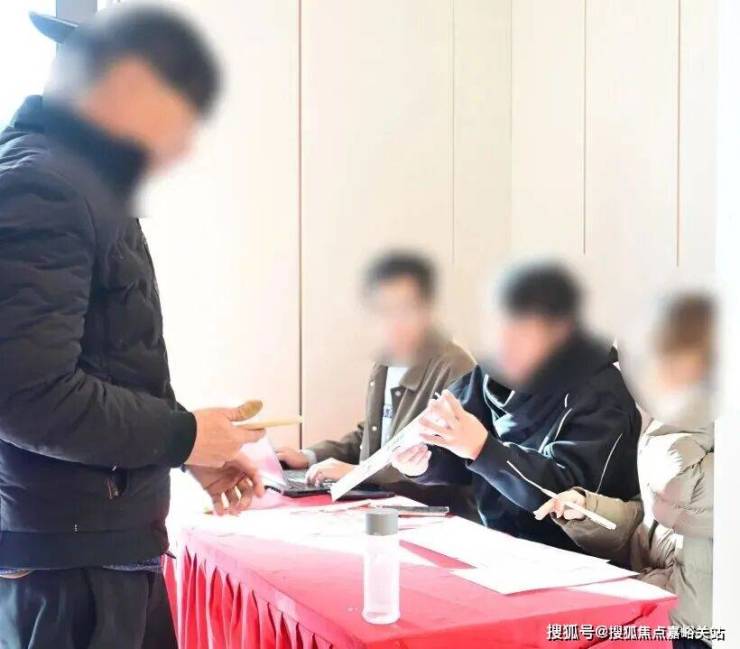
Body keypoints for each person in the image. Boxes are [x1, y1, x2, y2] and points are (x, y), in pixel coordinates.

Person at [0, 7, 266, 648]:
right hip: (74, 572)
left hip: (94, 553)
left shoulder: (73, 183)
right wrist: (181, 435)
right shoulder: (46, 187)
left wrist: (185, 450)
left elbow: (109, 362)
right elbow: (26, 394)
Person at [392, 261, 642, 550]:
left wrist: (482, 449)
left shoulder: (601, 392)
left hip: (574, 557)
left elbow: (568, 499)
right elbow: (461, 460)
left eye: (519, 330)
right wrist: (424, 462)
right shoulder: (491, 373)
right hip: (498, 544)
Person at [534, 293, 714, 649]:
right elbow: (650, 526)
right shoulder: (681, 424)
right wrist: (588, 511)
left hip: (697, 631)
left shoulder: (691, 422)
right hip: (656, 607)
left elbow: (681, 490)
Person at [277, 251, 477, 516]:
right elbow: (372, 439)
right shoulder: (386, 360)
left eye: (405, 308)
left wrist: (358, 474)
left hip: (434, 518)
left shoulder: (456, 368)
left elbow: (448, 466)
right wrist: (309, 456)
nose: (392, 320)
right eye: (383, 309)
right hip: (378, 510)